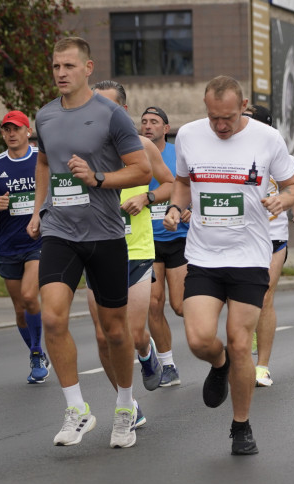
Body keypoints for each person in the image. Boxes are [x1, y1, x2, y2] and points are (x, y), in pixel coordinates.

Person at [26, 37, 151, 449]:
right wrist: (37, 210)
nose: (60, 73)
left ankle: (125, 407)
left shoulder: (111, 115)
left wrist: (98, 179)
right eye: (55, 66)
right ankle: (77, 408)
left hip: (105, 234)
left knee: (116, 332)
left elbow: (142, 170)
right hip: (60, 230)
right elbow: (44, 162)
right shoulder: (44, 116)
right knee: (52, 318)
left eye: (68, 66)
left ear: (87, 68)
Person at [163, 75, 294, 455]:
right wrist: (176, 207)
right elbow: (182, 182)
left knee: (241, 343)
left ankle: (241, 426)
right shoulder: (189, 135)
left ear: (243, 108)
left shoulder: (267, 139)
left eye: (227, 118)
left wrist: (282, 202)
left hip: (249, 257)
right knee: (199, 339)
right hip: (204, 255)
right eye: (213, 118)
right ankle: (218, 363)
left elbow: (293, 188)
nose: (220, 126)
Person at [87, 80, 174, 427]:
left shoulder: (141, 147)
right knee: (102, 335)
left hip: (136, 249)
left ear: (121, 111)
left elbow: (169, 184)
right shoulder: (82, 150)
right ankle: (128, 404)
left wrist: (147, 198)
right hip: (96, 249)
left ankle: (147, 351)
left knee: (134, 333)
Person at [0, 110, 49, 383]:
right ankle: (35, 351)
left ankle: (38, 352)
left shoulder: (42, 158)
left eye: (17, 128)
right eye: (7, 129)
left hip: (39, 242)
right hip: (9, 244)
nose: (12, 134)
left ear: (28, 131)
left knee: (30, 296)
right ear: (3, 134)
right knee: (19, 309)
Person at [245, 104, 294, 388]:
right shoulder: (233, 155)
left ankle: (262, 367)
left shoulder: (283, 156)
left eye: (249, 121)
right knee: (244, 297)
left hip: (273, 234)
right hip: (242, 234)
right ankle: (244, 346)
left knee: (266, 295)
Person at [140, 104, 188, 388]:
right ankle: (168, 364)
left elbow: (191, 186)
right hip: (148, 239)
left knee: (180, 306)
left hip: (178, 237)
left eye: (154, 121)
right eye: (144, 121)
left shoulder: (177, 154)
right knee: (153, 304)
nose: (147, 126)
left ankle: (210, 341)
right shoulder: (135, 156)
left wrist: (189, 208)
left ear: (166, 128)